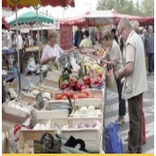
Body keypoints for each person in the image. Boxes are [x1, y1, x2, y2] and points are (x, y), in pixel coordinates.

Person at [117, 17, 148, 153]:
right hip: (140, 85)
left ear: (125, 29)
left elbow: (129, 67)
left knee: (134, 120)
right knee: (138, 119)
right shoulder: (137, 38)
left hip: (134, 86)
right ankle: (138, 148)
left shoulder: (130, 41)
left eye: (120, 32)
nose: (120, 35)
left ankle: (132, 150)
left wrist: (118, 74)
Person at [100, 29, 126, 125]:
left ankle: (121, 116)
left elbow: (114, 62)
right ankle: (122, 115)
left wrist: (105, 62)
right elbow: (105, 55)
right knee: (120, 95)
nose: (104, 43)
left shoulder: (114, 46)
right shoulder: (110, 47)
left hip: (120, 72)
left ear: (109, 39)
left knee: (121, 96)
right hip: (117, 73)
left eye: (105, 41)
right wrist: (101, 59)